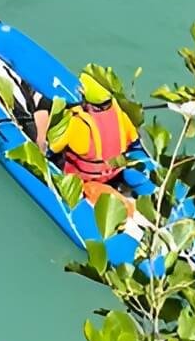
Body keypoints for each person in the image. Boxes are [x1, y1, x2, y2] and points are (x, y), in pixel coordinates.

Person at [31, 74, 145, 235]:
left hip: (85, 180)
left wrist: (42, 135)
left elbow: (53, 147)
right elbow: (134, 140)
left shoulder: (78, 124)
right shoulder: (121, 116)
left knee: (41, 118)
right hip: (112, 173)